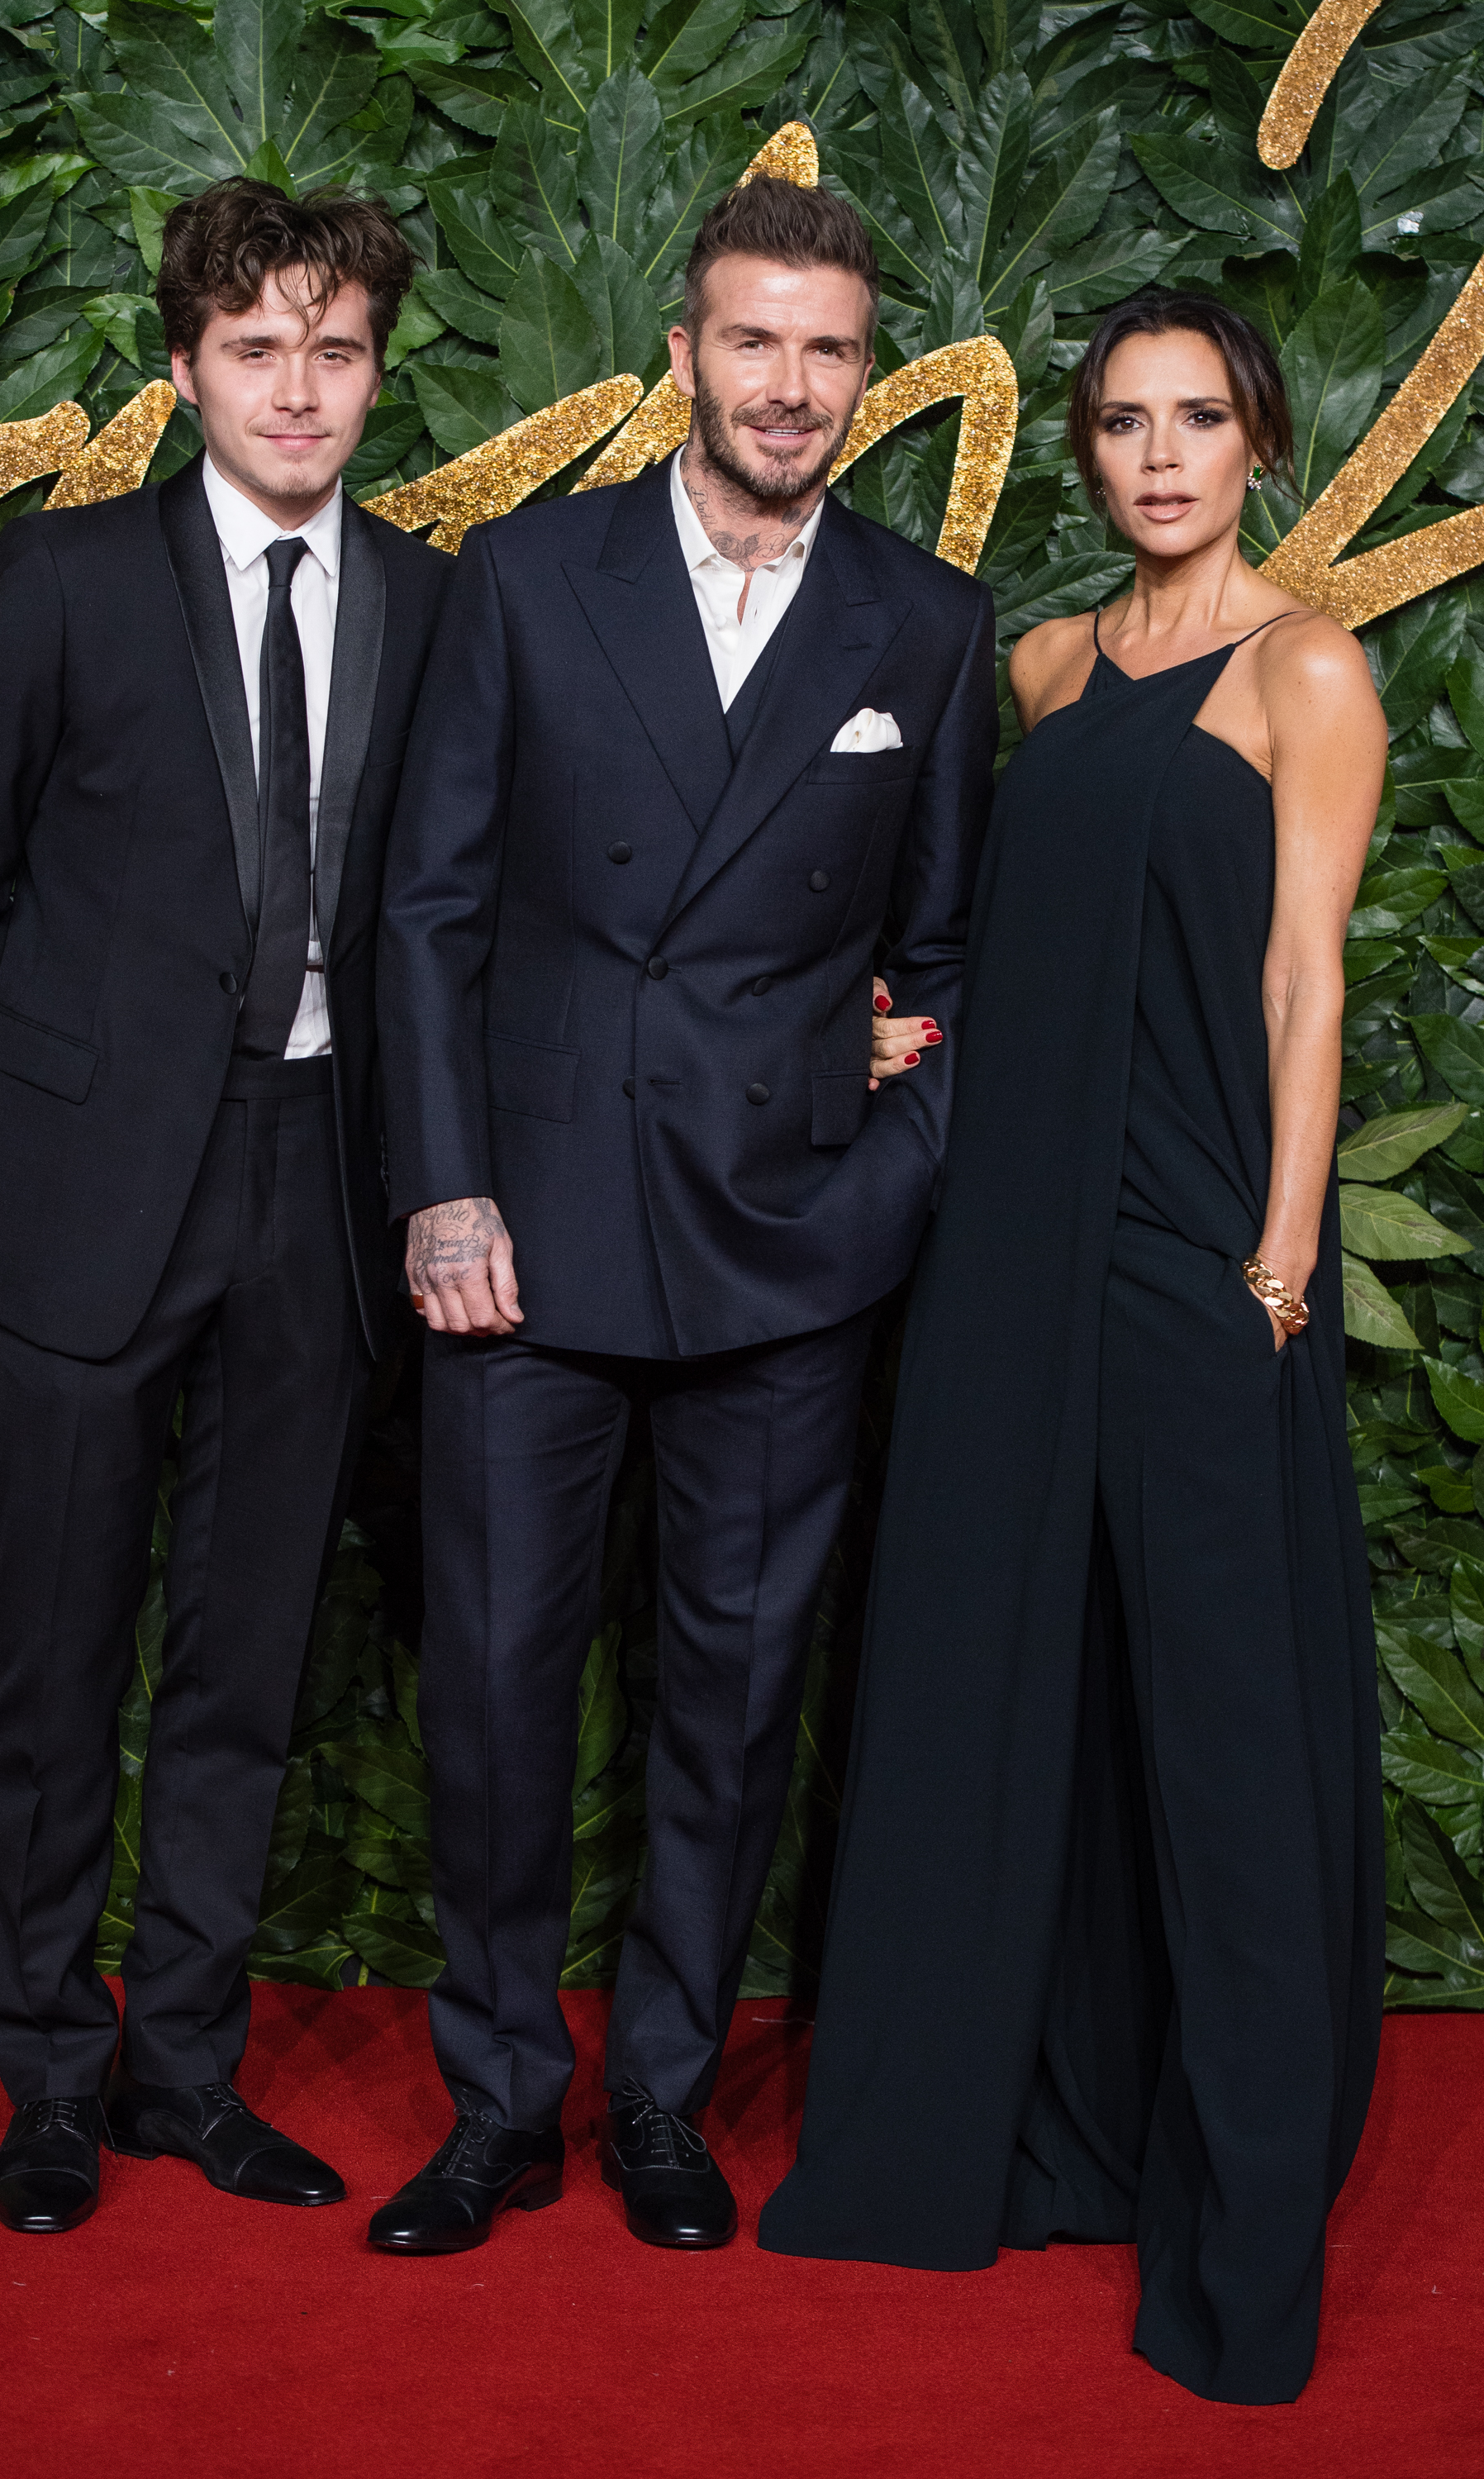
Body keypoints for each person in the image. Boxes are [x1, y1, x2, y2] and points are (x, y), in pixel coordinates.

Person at [759, 290, 1388, 2405]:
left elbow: (1303, 987)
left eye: (1198, 419)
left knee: (1212, 1742)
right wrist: (890, 1035)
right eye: (1122, 422)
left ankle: (1238, 2222)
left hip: (1203, 1251)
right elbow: (963, 952)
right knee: (990, 1677)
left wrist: (1279, 1261)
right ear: (1088, 455)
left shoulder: (1306, 667)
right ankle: (1020, 2126)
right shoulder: (1034, 667)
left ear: (1259, 444)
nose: (1156, 456)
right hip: (1009, 1254)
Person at [369, 175, 997, 2255]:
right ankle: (494, 2104)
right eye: (755, 341)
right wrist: (447, 1187)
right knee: (495, 1690)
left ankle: (656, 2099)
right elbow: (433, 903)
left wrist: (869, 1176)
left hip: (780, 1253)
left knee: (730, 1707)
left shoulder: (923, 617)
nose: (792, 385)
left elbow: (940, 959)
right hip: (527, 1240)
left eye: (828, 350)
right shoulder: (528, 576)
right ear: (682, 360)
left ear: (862, 374)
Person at [0, 180, 450, 2234]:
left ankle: (180, 2072)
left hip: (319, 1183)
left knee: (244, 1657)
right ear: (185, 365)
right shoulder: (57, 583)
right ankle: (46, 2068)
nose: (299, 389)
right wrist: (74, 1072)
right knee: (53, 1656)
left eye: (336, 349)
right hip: (90, 1190)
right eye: (256, 348)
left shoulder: (423, 597)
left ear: (377, 370)